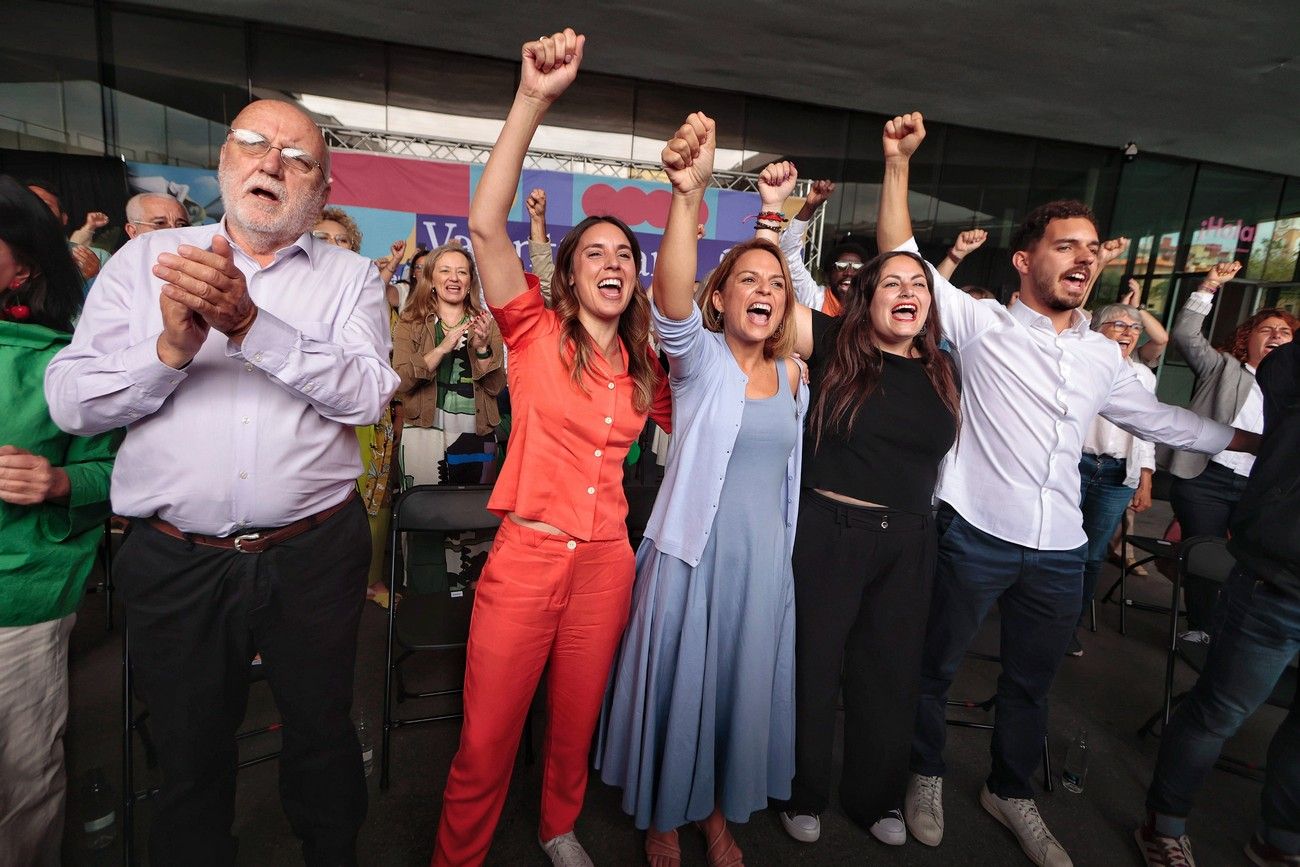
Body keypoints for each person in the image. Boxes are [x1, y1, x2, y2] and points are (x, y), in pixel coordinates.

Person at [876, 112, 1257, 867]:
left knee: (1032, 681)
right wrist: (896, 166)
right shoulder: (981, 324)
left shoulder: (1101, 357)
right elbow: (902, 254)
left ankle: (1009, 789)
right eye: (1065, 245)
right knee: (935, 666)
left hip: (1059, 547)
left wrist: (1263, 444)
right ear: (1024, 261)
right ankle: (922, 772)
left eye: (1090, 248)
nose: (1083, 258)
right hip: (975, 531)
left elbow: (1166, 420)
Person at [45, 99, 399, 866]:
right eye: (253, 143)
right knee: (189, 748)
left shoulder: (348, 280)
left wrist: (250, 327)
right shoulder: (144, 265)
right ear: (225, 161)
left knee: (320, 733)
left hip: (312, 556)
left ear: (323, 188)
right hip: (177, 559)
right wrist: (169, 349)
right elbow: (70, 402)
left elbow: (369, 393)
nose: (271, 162)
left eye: (297, 156)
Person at [431, 29, 671, 867]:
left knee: (575, 720)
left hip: (609, 561)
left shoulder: (647, 365)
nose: (612, 262)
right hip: (527, 556)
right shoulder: (532, 330)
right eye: (593, 253)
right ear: (567, 276)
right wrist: (532, 99)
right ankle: (457, 856)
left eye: (625, 256)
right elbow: (484, 222)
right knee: (488, 734)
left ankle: (557, 826)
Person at [596, 114, 806, 867]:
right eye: (747, 278)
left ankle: (715, 816)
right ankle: (661, 816)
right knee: (680, 695)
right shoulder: (702, 361)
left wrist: (783, 234)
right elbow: (671, 294)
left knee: (729, 701)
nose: (764, 289)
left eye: (775, 282)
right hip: (692, 560)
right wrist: (690, 196)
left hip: (758, 570)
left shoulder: (794, 378)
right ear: (720, 300)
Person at [755, 162, 961, 849]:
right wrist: (781, 213)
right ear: (866, 299)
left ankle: (875, 797)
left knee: (890, 673)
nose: (909, 292)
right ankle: (800, 788)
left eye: (919, 285)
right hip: (829, 530)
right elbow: (772, 295)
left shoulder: (944, 369)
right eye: (893, 283)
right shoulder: (837, 344)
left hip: (909, 539)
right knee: (813, 665)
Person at [1137, 336, 1300, 867]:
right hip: (1278, 583)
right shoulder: (1287, 367)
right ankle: (1164, 824)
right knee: (1218, 713)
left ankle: (1280, 837)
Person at [0, 175, 120, 867]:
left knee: (20, 777)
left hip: (20, 600)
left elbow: (112, 472)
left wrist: (55, 480)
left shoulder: (60, 363)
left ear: (25, 265)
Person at [1162, 260, 1297, 630]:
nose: (1276, 336)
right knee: (1205, 553)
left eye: (1284, 332)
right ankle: (1201, 630)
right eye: (1266, 329)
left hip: (1263, 489)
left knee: (1251, 562)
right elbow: (1186, 335)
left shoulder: (1293, 390)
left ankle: (1237, 632)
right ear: (1247, 338)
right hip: (1208, 480)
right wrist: (1208, 286)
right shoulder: (1222, 368)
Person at [312, 207, 403, 607]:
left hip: (369, 414)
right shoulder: (283, 295)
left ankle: (367, 579)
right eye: (321, 238)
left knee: (373, 494)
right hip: (309, 417)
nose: (333, 246)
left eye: (342, 240)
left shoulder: (370, 295)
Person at [1070, 302, 1157, 657]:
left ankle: (1069, 626)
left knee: (1091, 554)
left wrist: (1146, 478)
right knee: (1054, 545)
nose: (1127, 331)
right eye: (1117, 324)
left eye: (1134, 327)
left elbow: (1148, 429)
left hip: (1117, 475)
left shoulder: (1144, 377)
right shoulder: (1079, 362)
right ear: (1096, 328)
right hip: (1074, 466)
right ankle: (1035, 615)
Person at [775, 179, 867, 316]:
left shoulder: (872, 308)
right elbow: (787, 253)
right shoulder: (814, 297)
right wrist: (809, 207)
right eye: (841, 266)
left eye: (857, 267)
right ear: (828, 275)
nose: (849, 272)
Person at [25, 179, 110, 283]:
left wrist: (91, 278)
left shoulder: (99, 258)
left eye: (45, 206)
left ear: (64, 218)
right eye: (26, 205)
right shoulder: (7, 262)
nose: (35, 211)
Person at [124, 192, 191, 239]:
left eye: (182, 225)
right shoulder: (120, 259)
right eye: (160, 223)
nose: (173, 231)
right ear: (133, 232)